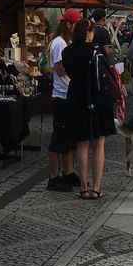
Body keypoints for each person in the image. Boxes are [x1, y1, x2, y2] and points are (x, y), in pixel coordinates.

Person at [63, 18, 115, 199]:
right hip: (98, 98)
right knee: (99, 144)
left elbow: (71, 74)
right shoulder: (96, 51)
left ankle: (83, 188)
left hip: (77, 98)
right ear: (88, 32)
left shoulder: (67, 52)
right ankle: (96, 188)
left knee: (82, 144)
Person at [46, 11, 80, 191]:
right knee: (58, 138)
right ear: (68, 24)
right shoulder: (59, 43)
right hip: (62, 95)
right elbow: (60, 68)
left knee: (68, 138)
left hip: (69, 94)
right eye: (75, 24)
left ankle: (68, 172)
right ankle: (53, 177)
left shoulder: (68, 42)